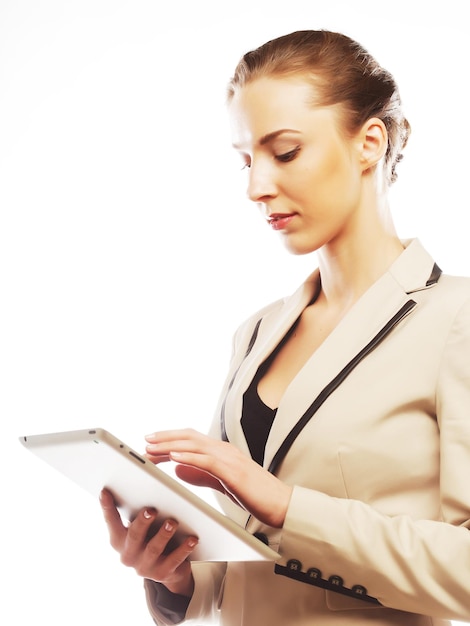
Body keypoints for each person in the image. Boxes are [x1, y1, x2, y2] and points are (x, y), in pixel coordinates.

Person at [99, 29, 470, 625]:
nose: (256, 187)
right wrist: (175, 573)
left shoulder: (457, 319)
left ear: (369, 142)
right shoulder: (255, 334)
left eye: (286, 152)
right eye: (247, 160)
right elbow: (243, 561)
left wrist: (287, 507)